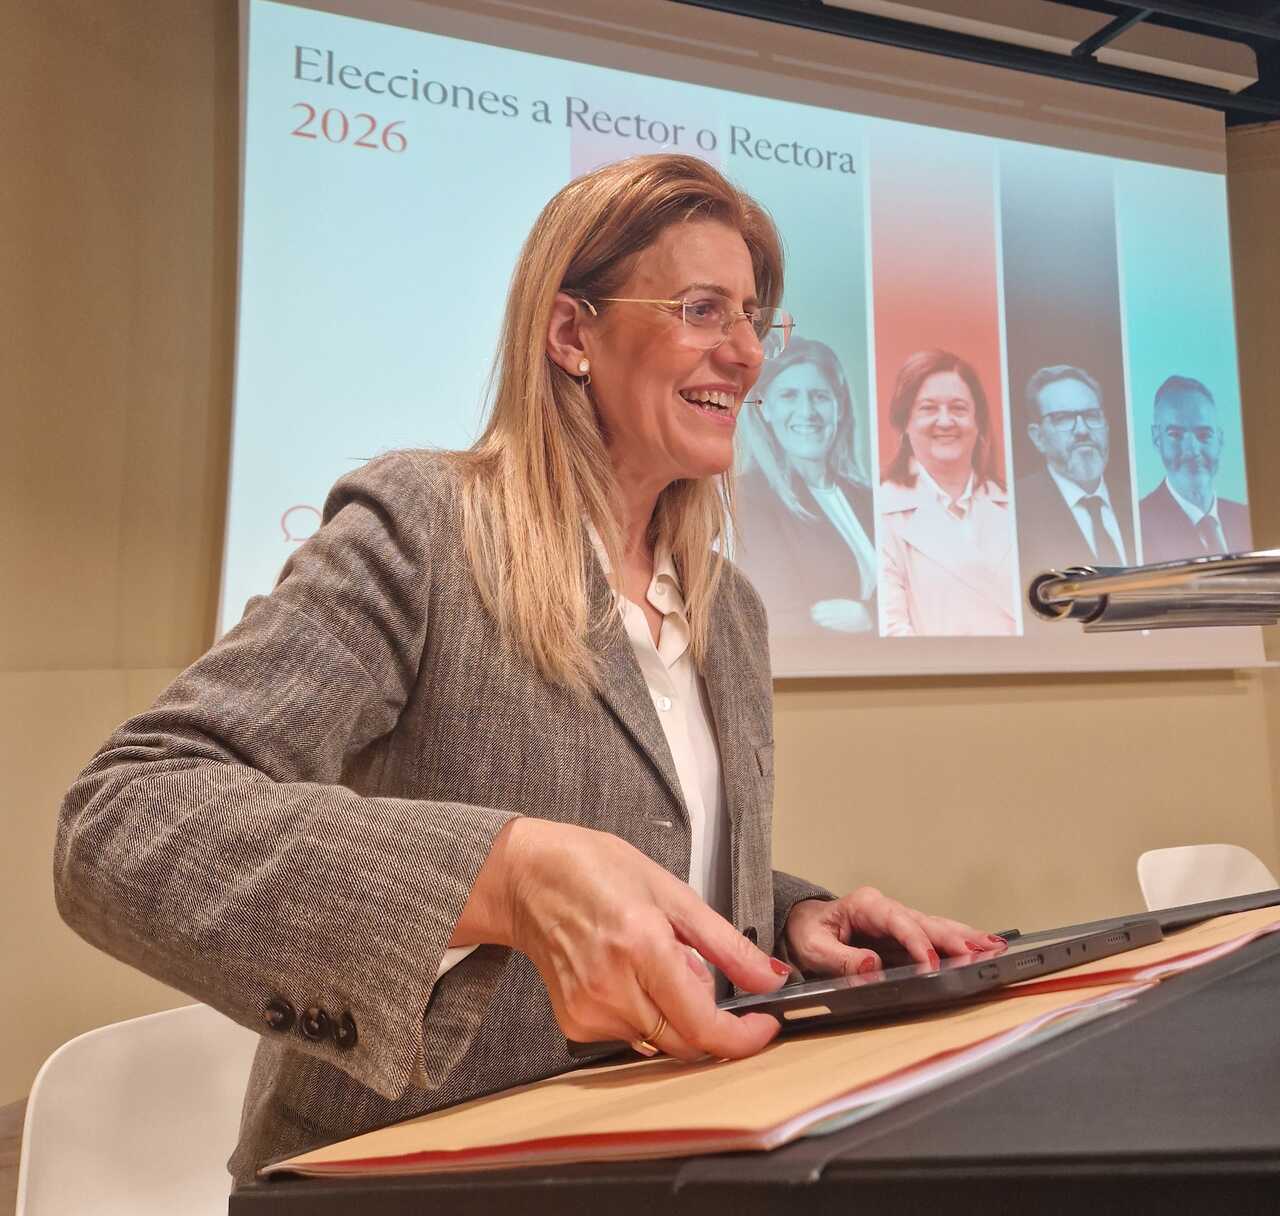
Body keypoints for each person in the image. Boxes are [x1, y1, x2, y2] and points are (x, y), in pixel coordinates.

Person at [54, 155, 997, 1187]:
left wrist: (792, 919)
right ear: (570, 335)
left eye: (751, 318)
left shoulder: (730, 612)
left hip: (672, 1158)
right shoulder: (425, 530)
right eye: (700, 310)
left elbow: (646, 847)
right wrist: (501, 874)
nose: (743, 351)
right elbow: (125, 817)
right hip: (410, 1184)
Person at [734, 338, 876, 637]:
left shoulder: (868, 497)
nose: (807, 411)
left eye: (820, 396)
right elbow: (781, 621)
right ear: (764, 409)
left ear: (839, 407)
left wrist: (870, 616)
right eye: (788, 396)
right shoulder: (749, 498)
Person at [878, 349, 1017, 636]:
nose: (945, 421)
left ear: (978, 421)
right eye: (928, 408)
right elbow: (892, 628)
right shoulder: (881, 510)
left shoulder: (1015, 506)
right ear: (905, 422)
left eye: (958, 408)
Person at [1015, 365, 1135, 582]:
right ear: (1037, 437)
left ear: (1106, 425)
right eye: (1063, 418)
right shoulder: (1016, 509)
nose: (1082, 430)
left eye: (1092, 415)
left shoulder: (1135, 501)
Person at [1139, 375, 1250, 563]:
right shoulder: (1138, 524)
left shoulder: (1243, 517)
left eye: (1204, 435)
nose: (1192, 450)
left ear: (1220, 439)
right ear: (1157, 439)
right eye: (1176, 435)